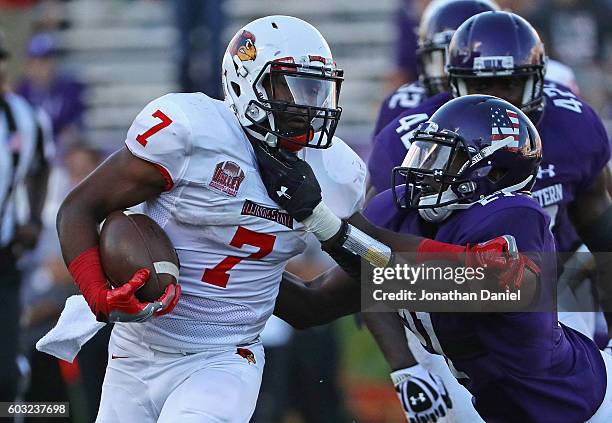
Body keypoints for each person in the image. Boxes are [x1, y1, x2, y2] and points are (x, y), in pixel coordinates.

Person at [255, 94, 612, 422]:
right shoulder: (404, 217)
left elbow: (458, 282)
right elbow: (312, 305)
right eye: (426, 153)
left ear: (496, 174)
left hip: (584, 407)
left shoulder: (512, 216)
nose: (426, 170)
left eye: (446, 158)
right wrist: (228, 262)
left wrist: (332, 223)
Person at [0, 29, 52, 402]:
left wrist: (33, 218)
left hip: (4, 254)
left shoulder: (23, 117)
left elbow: (39, 164)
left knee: (4, 374)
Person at [373, 0, 500, 137]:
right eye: (444, 59)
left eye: (468, 60)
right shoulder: (403, 105)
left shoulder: (511, 98)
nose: (453, 74)